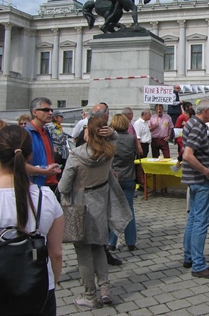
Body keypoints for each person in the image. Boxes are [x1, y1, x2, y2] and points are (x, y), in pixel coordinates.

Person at [0, 125, 64, 315]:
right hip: (37, 290)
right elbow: (56, 253)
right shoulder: (46, 197)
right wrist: (51, 283)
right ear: (29, 156)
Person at [59, 115, 131, 309]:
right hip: (100, 204)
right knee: (99, 247)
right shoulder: (109, 152)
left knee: (83, 251)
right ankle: (105, 288)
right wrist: (113, 133)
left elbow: (63, 186)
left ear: (88, 133)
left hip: (79, 206)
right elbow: (116, 139)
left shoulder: (76, 154)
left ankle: (90, 295)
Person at [181, 99, 209, 279]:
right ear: (205, 111)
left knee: (193, 218)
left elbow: (192, 149)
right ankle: (198, 264)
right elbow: (188, 155)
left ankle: (189, 257)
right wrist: (206, 171)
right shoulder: (198, 127)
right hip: (200, 179)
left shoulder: (191, 123)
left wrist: (208, 154)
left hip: (192, 179)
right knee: (201, 222)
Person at [108, 114, 138, 252]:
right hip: (129, 176)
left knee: (114, 210)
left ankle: (111, 242)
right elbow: (138, 153)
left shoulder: (110, 139)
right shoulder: (131, 138)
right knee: (129, 209)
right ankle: (131, 241)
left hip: (115, 176)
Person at [25, 97, 62, 188]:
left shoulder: (46, 132)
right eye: (46, 110)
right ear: (35, 112)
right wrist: (44, 172)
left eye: (51, 110)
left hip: (51, 184)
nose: (50, 113)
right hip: (35, 186)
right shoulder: (25, 133)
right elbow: (19, 164)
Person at [46, 110, 70, 181]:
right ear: (56, 117)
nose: (62, 118)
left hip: (63, 152)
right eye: (61, 116)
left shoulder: (59, 127)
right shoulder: (50, 126)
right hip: (57, 151)